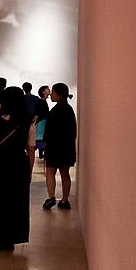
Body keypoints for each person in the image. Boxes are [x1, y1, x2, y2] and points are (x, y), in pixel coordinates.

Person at [0, 87, 37, 251]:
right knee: (16, 202)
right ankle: (10, 237)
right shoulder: (29, 122)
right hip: (18, 164)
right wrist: (29, 171)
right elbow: (31, 150)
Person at [42, 82, 77, 210]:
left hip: (53, 147)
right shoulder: (69, 110)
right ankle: (64, 200)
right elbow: (73, 132)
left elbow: (48, 131)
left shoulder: (54, 111)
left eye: (53, 92)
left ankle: (51, 197)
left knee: (50, 172)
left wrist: (45, 145)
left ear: (60, 95)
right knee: (65, 174)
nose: (51, 94)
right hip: (67, 147)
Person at [34, 85, 51, 159]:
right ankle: (41, 154)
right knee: (41, 138)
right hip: (41, 123)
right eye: (47, 89)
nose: (49, 90)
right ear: (43, 91)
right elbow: (37, 113)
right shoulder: (41, 101)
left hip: (42, 122)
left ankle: (41, 154)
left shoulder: (42, 101)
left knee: (41, 138)